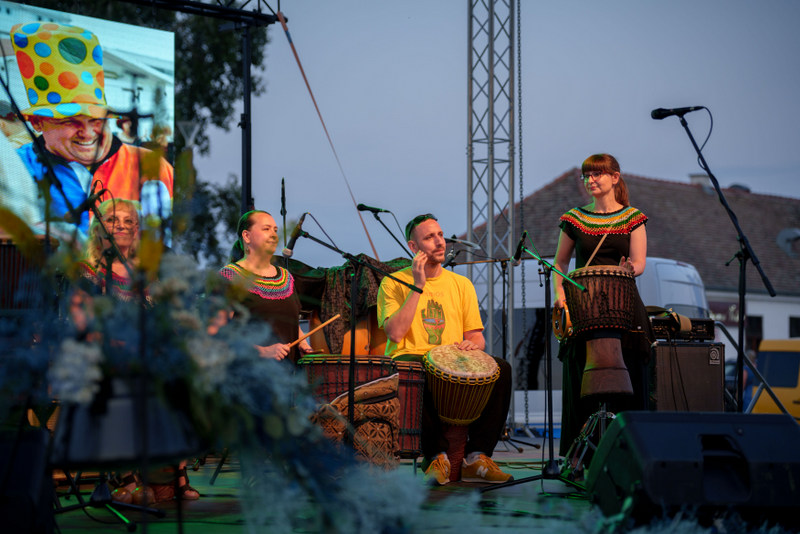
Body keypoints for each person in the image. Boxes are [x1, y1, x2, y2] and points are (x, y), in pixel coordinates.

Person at [70, 198, 199, 504]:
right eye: (113, 220)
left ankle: (175, 473)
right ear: (98, 229)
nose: (123, 226)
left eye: (129, 221)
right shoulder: (87, 271)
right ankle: (124, 475)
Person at [376, 214, 513, 485]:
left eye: (440, 234)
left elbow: (477, 338)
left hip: (454, 358)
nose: (440, 242)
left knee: (502, 369)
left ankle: (477, 457)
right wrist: (417, 285)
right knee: (416, 368)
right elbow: (395, 333)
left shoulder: (461, 284)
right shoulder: (392, 282)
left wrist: (472, 345)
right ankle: (436, 457)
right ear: (413, 247)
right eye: (429, 237)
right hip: (412, 357)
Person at [10, 22, 173, 239]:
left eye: (96, 119)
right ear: (37, 123)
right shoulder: (13, 168)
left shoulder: (152, 167)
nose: (88, 133)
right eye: (69, 121)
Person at [552, 154, 654, 465]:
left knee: (631, 371)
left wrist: (630, 269)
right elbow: (560, 263)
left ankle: (630, 455)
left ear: (615, 177)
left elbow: (639, 262)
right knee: (582, 373)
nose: (591, 180)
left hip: (623, 308)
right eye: (587, 175)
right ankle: (579, 457)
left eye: (597, 174)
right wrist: (560, 296)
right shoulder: (574, 219)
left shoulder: (633, 218)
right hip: (584, 308)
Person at [215, 210, 313, 363]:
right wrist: (262, 351)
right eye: (266, 229)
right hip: (249, 374)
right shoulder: (229, 277)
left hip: (288, 375)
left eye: (275, 230)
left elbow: (292, 322)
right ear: (247, 236)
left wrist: (302, 342)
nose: (274, 235)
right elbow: (218, 334)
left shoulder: (286, 277)